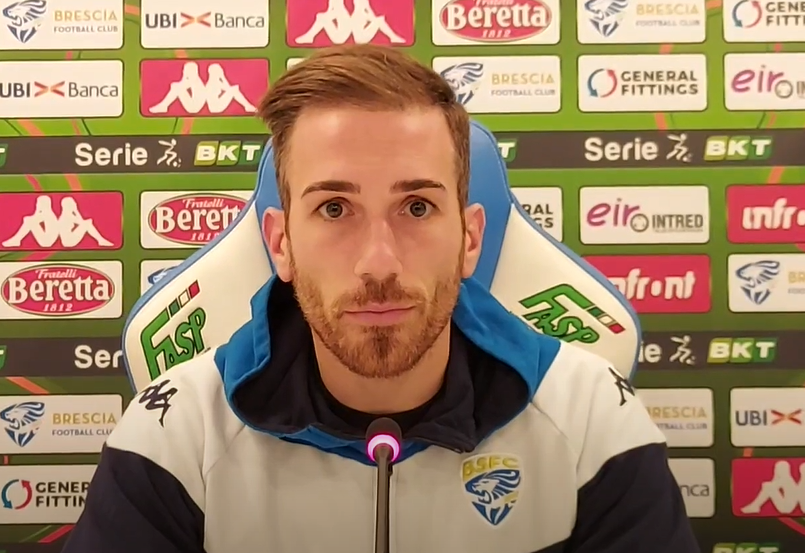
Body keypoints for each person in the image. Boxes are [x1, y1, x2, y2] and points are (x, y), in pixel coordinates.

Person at [62, 45, 699, 553]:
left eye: (416, 207)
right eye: (334, 209)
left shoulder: (589, 420)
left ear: (469, 239)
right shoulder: (177, 437)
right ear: (281, 244)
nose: (378, 263)